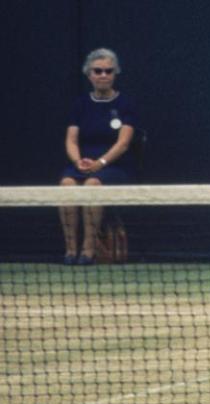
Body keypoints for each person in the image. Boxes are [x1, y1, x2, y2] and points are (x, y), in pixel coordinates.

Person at [59, 48, 137, 265]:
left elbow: (123, 144)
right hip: (82, 164)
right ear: (89, 74)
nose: (103, 75)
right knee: (66, 185)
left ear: (115, 74)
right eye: (98, 71)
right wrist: (78, 161)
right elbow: (71, 140)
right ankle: (70, 250)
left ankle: (89, 250)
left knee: (92, 185)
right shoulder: (80, 104)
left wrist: (100, 163)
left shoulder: (125, 105)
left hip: (114, 167)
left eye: (108, 71)